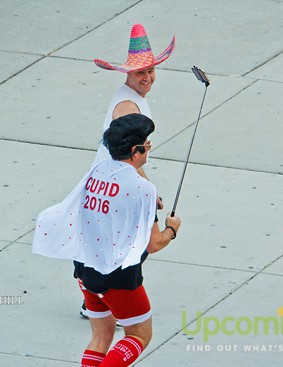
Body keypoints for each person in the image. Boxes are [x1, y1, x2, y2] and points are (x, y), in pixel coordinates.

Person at [32, 114, 182, 367]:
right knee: (138, 335)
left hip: (84, 269)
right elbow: (154, 244)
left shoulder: (97, 170)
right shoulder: (142, 189)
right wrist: (172, 229)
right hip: (118, 278)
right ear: (135, 151)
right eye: (147, 144)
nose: (148, 148)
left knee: (101, 336)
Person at [92, 22, 175, 210]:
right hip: (113, 186)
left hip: (112, 182)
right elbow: (130, 157)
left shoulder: (131, 95)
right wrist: (149, 192)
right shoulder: (128, 107)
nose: (147, 77)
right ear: (129, 73)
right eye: (140, 72)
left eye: (150, 71)